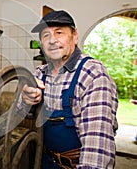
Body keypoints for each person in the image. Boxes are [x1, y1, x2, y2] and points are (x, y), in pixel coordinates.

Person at [16, 10, 118, 168]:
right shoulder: (39, 74)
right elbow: (17, 114)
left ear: (75, 36)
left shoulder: (92, 75)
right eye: (45, 35)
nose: (52, 41)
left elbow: (97, 150)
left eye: (59, 32)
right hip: (44, 161)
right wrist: (24, 100)